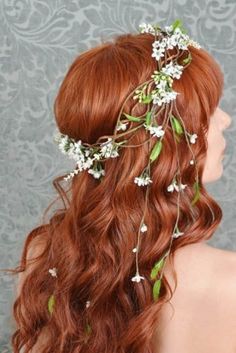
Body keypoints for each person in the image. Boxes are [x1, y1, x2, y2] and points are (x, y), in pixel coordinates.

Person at [4, 21, 234, 353]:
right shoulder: (228, 281)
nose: (225, 119)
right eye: (208, 110)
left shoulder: (45, 257)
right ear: (162, 141)